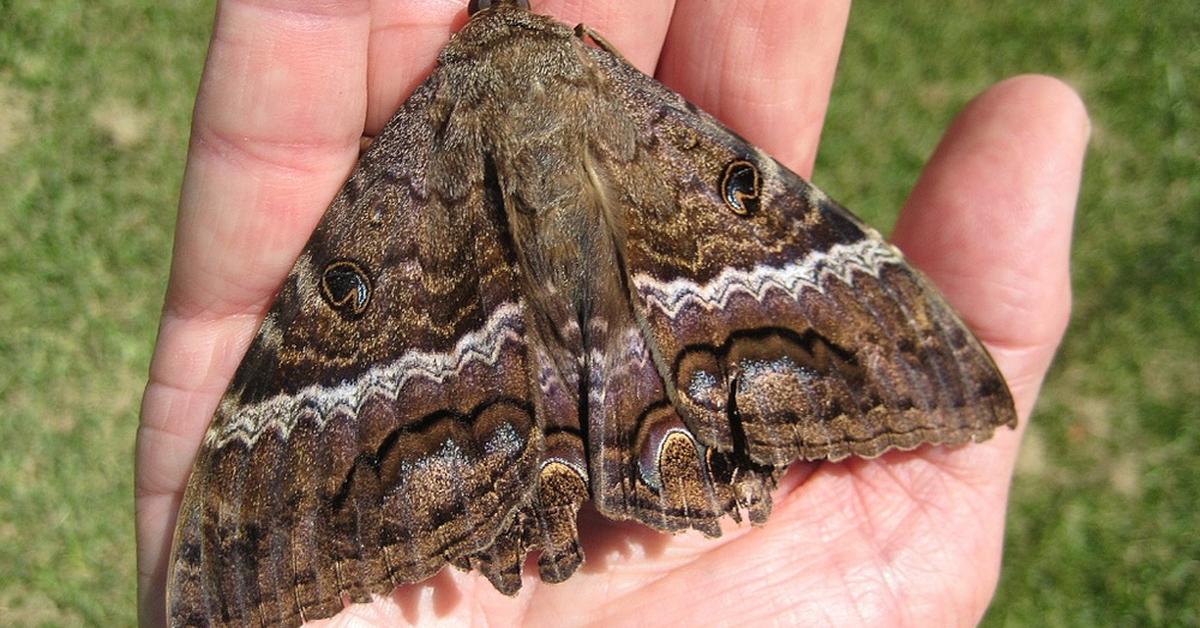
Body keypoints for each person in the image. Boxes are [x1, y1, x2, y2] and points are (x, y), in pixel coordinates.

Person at [135, 1, 1088, 625]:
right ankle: (652, 449)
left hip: (491, 366)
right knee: (745, 200)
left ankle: (546, 484)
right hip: (653, 337)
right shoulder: (614, 88)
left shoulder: (422, 129)